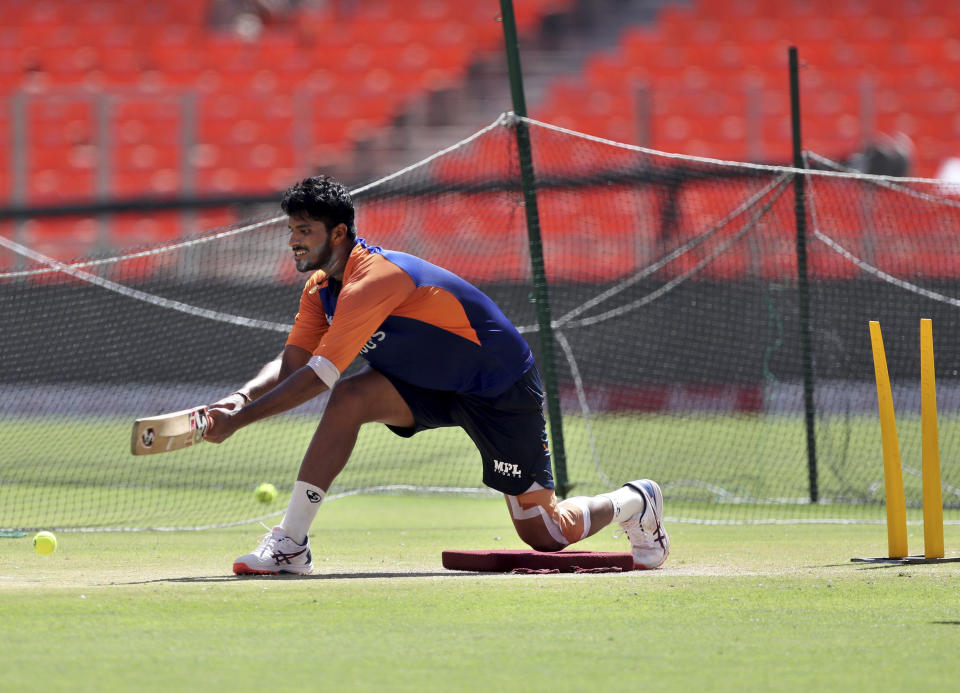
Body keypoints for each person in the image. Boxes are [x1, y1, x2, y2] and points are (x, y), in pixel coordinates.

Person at [204, 175, 670, 574]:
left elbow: (315, 377)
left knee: (547, 534)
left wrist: (236, 426)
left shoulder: (373, 280)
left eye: (304, 230)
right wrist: (237, 401)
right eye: (291, 229)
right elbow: (291, 366)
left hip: (497, 388)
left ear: (339, 232)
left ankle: (636, 500)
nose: (293, 240)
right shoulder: (320, 288)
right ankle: (291, 545)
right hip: (424, 385)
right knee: (350, 398)